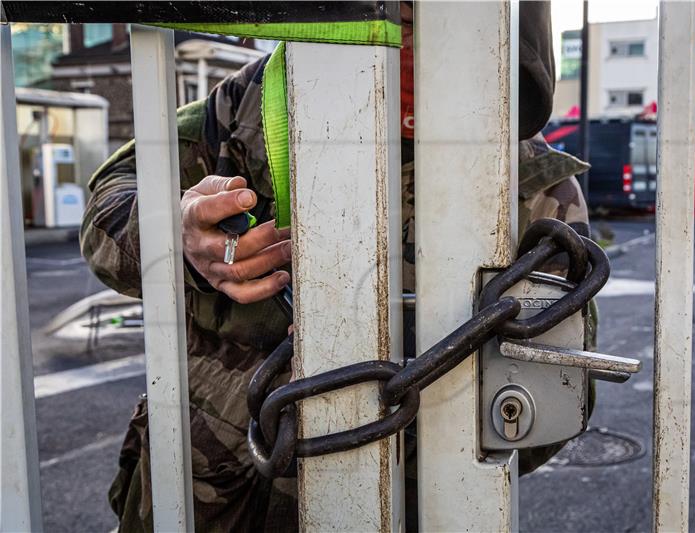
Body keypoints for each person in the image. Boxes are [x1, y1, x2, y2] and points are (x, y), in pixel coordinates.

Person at [81, 3, 593, 531]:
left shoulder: (532, 184)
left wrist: (402, 387)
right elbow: (108, 203)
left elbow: (547, 410)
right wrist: (179, 231)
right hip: (209, 492)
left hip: (402, 505)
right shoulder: (251, 104)